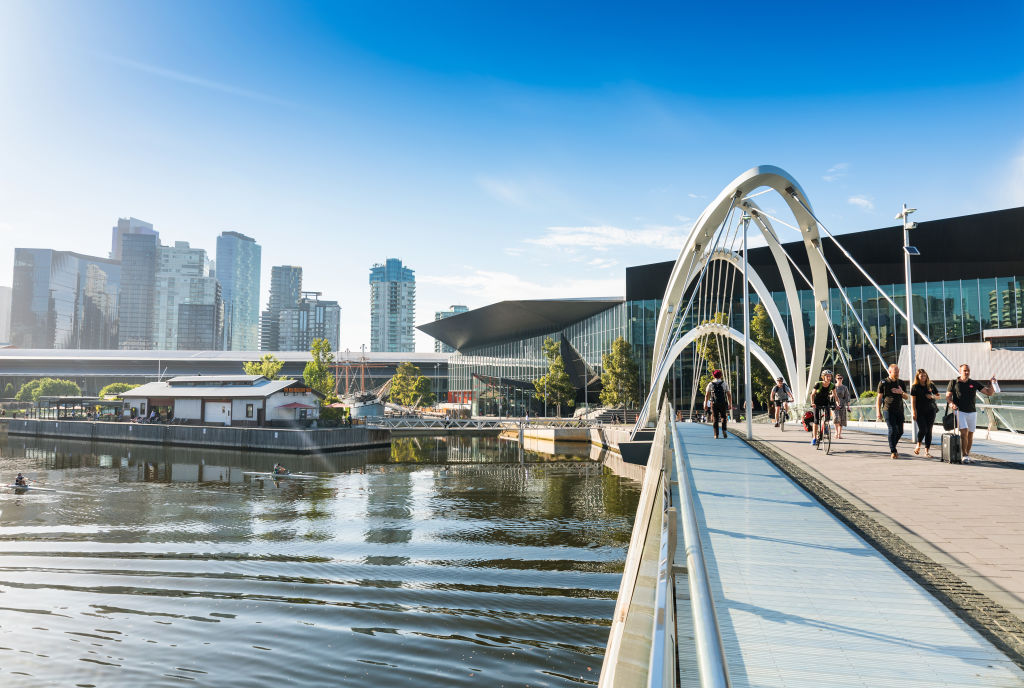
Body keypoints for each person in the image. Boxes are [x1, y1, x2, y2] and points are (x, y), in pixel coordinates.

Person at [946, 364, 996, 464]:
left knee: (970, 434)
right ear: (960, 371)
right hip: (959, 411)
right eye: (964, 370)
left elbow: (989, 393)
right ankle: (964, 455)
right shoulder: (953, 382)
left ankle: (967, 455)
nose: (967, 372)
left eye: (968, 370)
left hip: (972, 412)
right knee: (964, 433)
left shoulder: (973, 383)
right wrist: (951, 404)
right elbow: (948, 397)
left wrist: (992, 384)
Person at [876, 364, 909, 459]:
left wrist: (901, 392)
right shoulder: (883, 382)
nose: (897, 373)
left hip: (899, 410)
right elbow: (879, 398)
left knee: (900, 431)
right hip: (888, 409)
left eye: (898, 371)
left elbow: (906, 397)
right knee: (892, 429)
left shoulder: (901, 383)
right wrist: (878, 412)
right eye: (896, 372)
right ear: (890, 372)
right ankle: (893, 451)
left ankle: (893, 445)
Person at [910, 369, 941, 458]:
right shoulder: (915, 387)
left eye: (924, 375)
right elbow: (913, 400)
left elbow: (938, 396)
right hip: (920, 411)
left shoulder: (930, 385)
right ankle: (918, 445)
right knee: (923, 429)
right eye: (921, 376)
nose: (923, 377)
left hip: (931, 411)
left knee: (929, 431)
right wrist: (913, 412)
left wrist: (932, 396)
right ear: (918, 377)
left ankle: (927, 451)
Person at [810, 370, 839, 446]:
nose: (829, 378)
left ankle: (825, 427)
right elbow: (812, 394)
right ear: (823, 377)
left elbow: (835, 396)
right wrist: (812, 403)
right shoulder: (818, 384)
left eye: (830, 376)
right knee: (816, 420)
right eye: (827, 376)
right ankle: (814, 438)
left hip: (825, 402)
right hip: (816, 403)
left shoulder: (832, 385)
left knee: (828, 418)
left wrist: (837, 404)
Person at [704, 369, 733, 439]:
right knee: (723, 417)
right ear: (721, 375)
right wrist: (730, 404)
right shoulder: (724, 383)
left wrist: (705, 404)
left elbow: (707, 395)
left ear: (714, 375)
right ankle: (724, 430)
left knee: (715, 418)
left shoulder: (710, 384)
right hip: (722, 403)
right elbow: (729, 394)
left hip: (714, 403)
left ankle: (716, 434)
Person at [833, 374, 852, 439]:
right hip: (834, 405)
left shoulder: (844, 387)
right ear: (836, 379)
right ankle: (836, 431)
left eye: (841, 378)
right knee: (836, 418)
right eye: (838, 378)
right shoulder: (833, 387)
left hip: (842, 404)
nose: (840, 379)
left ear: (842, 379)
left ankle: (839, 434)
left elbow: (847, 397)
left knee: (841, 420)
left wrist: (848, 406)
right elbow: (829, 395)